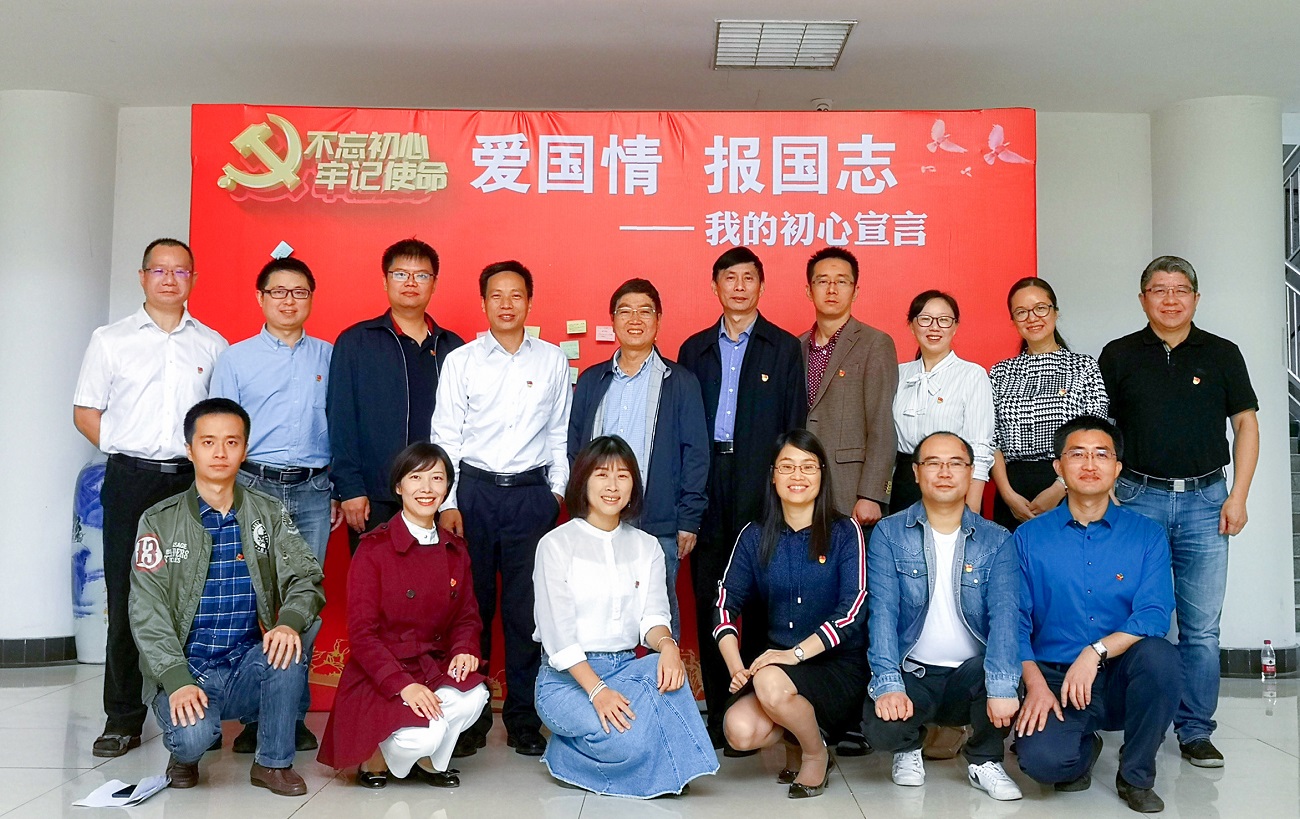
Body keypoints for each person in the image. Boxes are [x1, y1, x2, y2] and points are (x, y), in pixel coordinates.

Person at [1099, 255, 1259, 770]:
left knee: (1201, 627)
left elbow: (1246, 425)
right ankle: (1138, 721)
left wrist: (1239, 495)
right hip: (1138, 499)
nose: (1170, 299)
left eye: (1180, 290)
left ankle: (1195, 730)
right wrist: (1108, 487)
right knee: (1136, 618)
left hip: (1207, 501)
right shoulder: (1119, 354)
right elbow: (1102, 428)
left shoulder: (1222, 353)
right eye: (1159, 290)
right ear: (1142, 298)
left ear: (1195, 297)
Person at [72, 238, 228, 758]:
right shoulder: (110, 340)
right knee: (127, 594)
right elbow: (86, 412)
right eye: (158, 270)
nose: (168, 279)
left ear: (193, 280)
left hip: (191, 482)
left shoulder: (212, 345)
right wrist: (128, 449)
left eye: (180, 271)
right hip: (131, 480)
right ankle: (122, 717)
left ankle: (195, 713)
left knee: (193, 595)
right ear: (142, 277)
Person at [129, 399, 325, 796]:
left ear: (245, 449)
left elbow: (306, 578)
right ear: (190, 450)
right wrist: (176, 679)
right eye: (208, 442)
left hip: (245, 664)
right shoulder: (159, 520)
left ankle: (273, 764)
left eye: (231, 442)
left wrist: (288, 623)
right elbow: (146, 609)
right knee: (193, 738)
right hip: (189, 668)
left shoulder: (267, 513)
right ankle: (183, 755)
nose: (220, 452)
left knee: (286, 649)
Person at [432, 260, 571, 758]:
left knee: (525, 612)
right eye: (497, 295)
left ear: (530, 302)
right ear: (484, 302)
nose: (506, 304)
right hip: (473, 494)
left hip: (530, 496)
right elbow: (445, 436)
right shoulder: (462, 361)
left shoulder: (552, 361)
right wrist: (448, 500)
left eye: (516, 295)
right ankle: (470, 719)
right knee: (471, 609)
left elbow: (560, 433)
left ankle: (523, 720)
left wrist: (556, 494)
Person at [533, 436, 719, 798]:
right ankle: (564, 753)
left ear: (634, 485)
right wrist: (598, 691)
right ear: (583, 481)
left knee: (669, 677)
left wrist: (668, 645)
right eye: (602, 474)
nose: (613, 486)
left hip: (625, 670)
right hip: (566, 682)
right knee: (629, 741)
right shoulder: (555, 544)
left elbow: (652, 618)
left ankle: (636, 749)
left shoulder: (646, 546)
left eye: (623, 476)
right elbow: (559, 639)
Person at [1014, 415, 1181, 814]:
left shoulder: (1147, 535)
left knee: (1162, 657)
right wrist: (1034, 684)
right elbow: (1013, 621)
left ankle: (1136, 775)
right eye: (1078, 454)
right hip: (1057, 678)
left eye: (1101, 455)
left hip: (1123, 673)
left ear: (1117, 468)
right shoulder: (1028, 537)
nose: (1090, 464)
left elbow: (1154, 613)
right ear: (1058, 467)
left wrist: (1095, 652)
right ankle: (1083, 747)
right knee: (1043, 764)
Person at [678, 247, 806, 751]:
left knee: (761, 593)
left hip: (761, 481)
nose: (738, 286)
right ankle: (720, 714)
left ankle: (762, 708)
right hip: (708, 480)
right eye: (729, 278)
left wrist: (785, 490)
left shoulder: (782, 347)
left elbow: (794, 425)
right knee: (713, 592)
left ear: (761, 286)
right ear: (715, 287)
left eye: (748, 278)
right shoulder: (694, 349)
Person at [209, 255, 335, 752]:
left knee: (305, 599)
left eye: (299, 292)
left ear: (311, 298)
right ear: (260, 298)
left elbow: (342, 426)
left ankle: (291, 715)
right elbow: (219, 430)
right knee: (250, 602)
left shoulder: (329, 357)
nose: (288, 300)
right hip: (253, 488)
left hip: (312, 489)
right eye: (278, 291)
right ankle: (253, 715)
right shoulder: (235, 359)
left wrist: (338, 489)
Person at [318, 443, 489, 789]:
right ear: (398, 486)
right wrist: (403, 685)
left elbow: (467, 616)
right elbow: (363, 636)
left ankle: (428, 762)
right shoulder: (373, 549)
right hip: (382, 672)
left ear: (447, 487)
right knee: (426, 733)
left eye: (437, 478)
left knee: (476, 696)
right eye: (416, 478)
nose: (427, 488)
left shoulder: (455, 549)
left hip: (432, 664)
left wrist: (464, 649)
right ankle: (376, 757)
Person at [862, 431, 1022, 801]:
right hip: (914, 671)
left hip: (971, 675)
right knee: (881, 728)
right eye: (933, 463)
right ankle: (909, 747)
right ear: (916, 472)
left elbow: (1004, 618)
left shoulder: (997, 539)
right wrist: (889, 683)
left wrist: (1001, 687)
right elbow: (882, 614)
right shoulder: (889, 532)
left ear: (970, 472)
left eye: (955, 464)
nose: (945, 472)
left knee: (1007, 680)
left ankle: (984, 759)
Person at [713, 429, 867, 799]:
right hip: (780, 667)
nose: (797, 476)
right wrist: (736, 666)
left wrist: (794, 654)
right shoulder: (754, 535)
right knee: (739, 731)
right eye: (787, 467)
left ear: (822, 474)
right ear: (773, 475)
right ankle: (798, 736)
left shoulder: (845, 531)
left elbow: (854, 609)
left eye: (808, 467)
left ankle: (815, 754)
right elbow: (724, 603)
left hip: (835, 666)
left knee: (770, 681)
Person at [568, 278, 710, 639]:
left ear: (658, 320)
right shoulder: (592, 380)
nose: (635, 319)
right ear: (613, 320)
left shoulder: (680, 381)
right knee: (598, 610)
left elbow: (695, 453)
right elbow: (574, 449)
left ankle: (661, 677)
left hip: (658, 520)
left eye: (645, 311)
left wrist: (688, 518)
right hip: (597, 519)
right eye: (625, 311)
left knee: (657, 613)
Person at [328, 238, 464, 552]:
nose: (411, 283)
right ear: (385, 281)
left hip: (435, 494)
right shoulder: (356, 342)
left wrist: (452, 499)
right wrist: (350, 488)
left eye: (422, 275)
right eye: (401, 274)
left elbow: (465, 426)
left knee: (433, 578)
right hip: (374, 496)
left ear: (434, 284)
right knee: (375, 578)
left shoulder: (453, 348)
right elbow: (341, 420)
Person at [989, 277, 1108, 531]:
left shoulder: (1083, 367)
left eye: (1040, 308)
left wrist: (1059, 487)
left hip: (1071, 487)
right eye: (1021, 312)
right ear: (1013, 320)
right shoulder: (1000, 372)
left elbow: (1096, 434)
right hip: (1013, 491)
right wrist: (1008, 495)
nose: (1032, 318)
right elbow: (991, 439)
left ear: (1055, 311)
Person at [892, 290, 993, 513]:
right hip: (904, 483)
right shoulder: (898, 374)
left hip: (952, 480)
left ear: (955, 326)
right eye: (925, 319)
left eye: (944, 320)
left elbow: (980, 446)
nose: (934, 327)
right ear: (911, 325)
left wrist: (972, 508)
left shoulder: (972, 375)